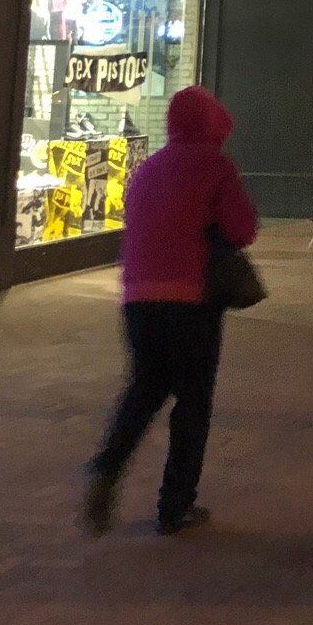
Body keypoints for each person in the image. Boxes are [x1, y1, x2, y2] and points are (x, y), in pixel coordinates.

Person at [82, 86, 257, 538]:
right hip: (192, 301)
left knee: (144, 389)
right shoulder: (215, 167)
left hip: (138, 300)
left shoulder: (149, 168)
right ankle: (174, 505)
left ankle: (105, 467)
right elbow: (242, 228)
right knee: (193, 403)